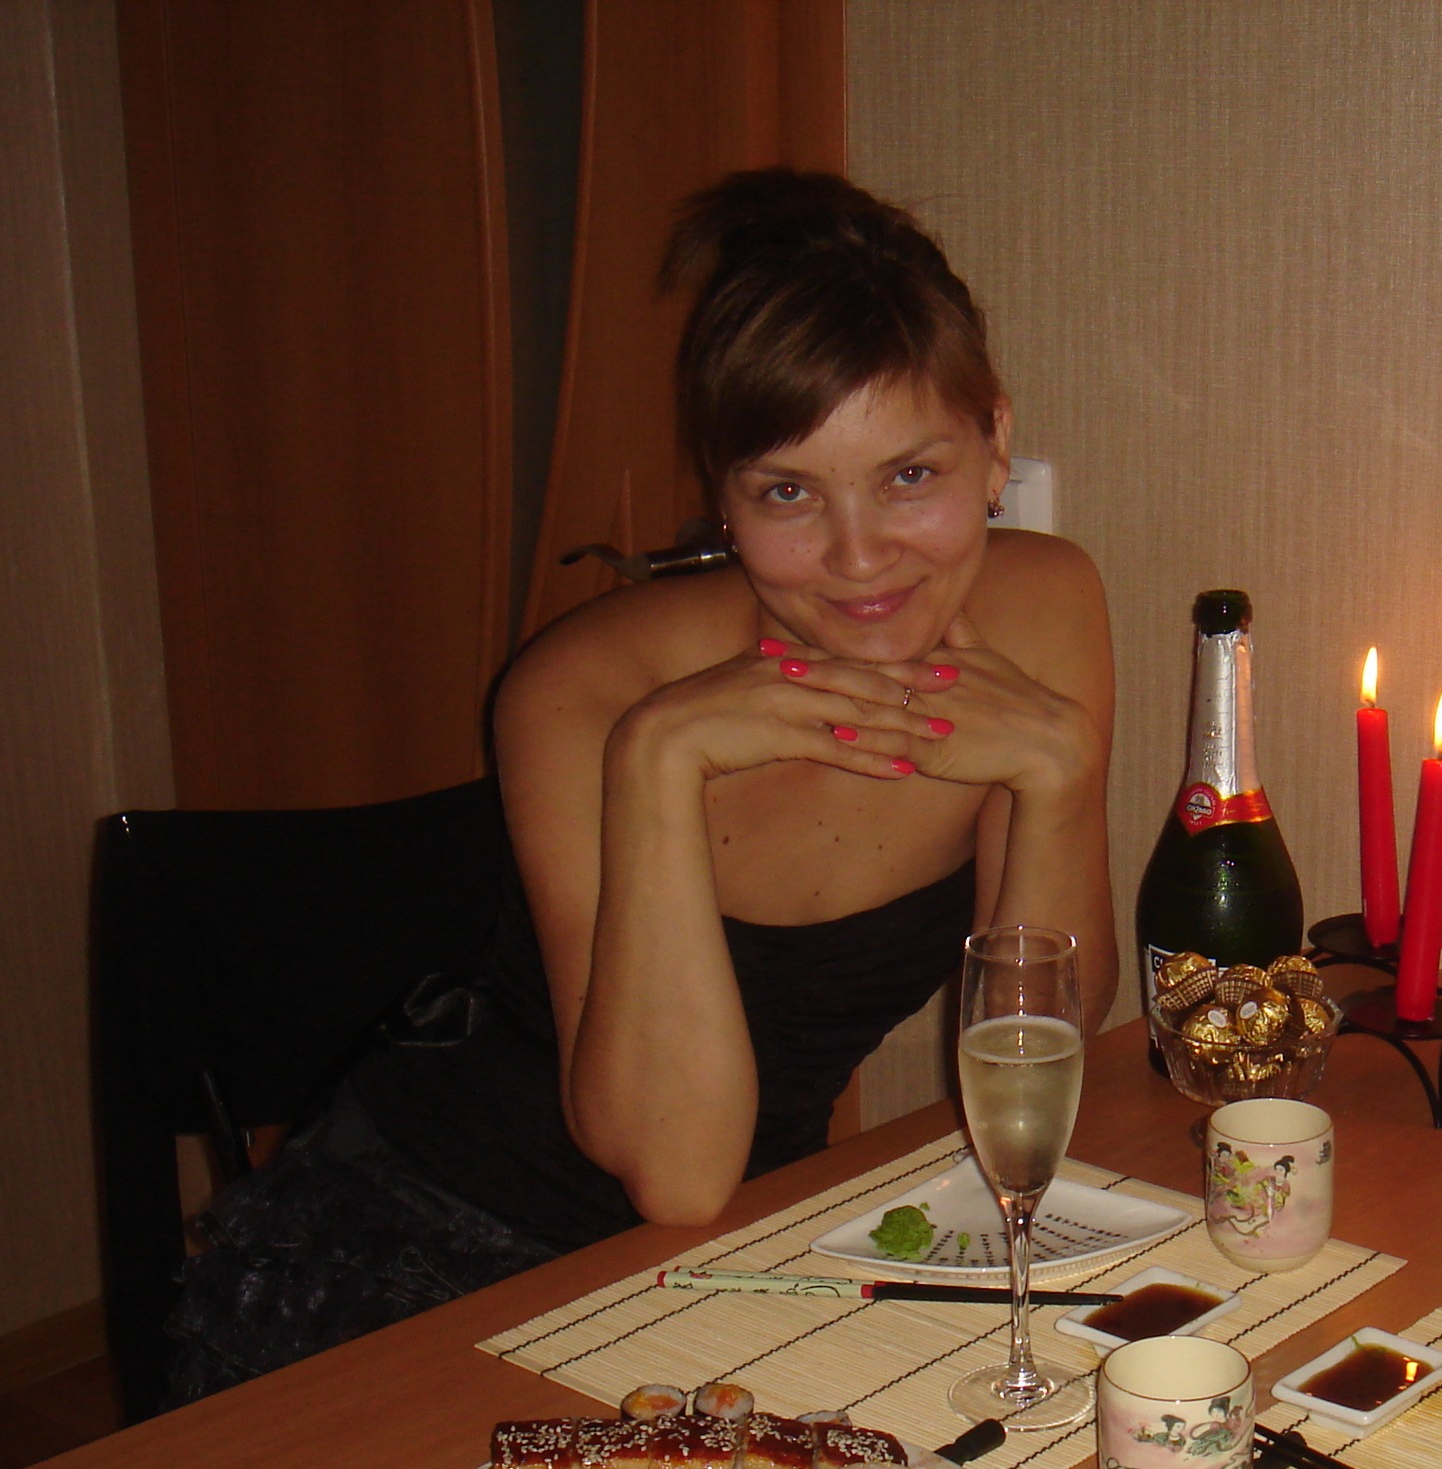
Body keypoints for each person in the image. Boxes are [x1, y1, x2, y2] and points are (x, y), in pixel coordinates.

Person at [164, 169, 1116, 1402]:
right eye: (788, 492)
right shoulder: (586, 691)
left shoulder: (1046, 606)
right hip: (412, 1264)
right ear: (722, 499)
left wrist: (1059, 776)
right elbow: (676, 1171)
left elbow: (1045, 1039)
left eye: (909, 477)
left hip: (726, 1269)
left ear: (993, 444)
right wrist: (657, 762)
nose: (858, 556)